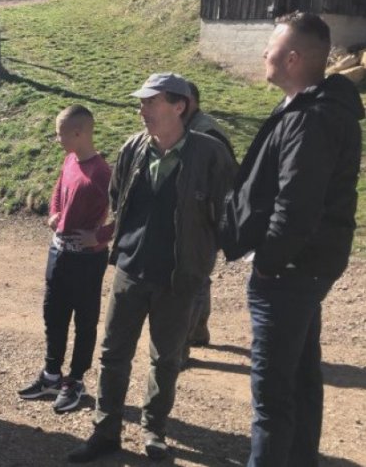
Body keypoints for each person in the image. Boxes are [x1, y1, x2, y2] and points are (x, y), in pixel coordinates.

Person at [68, 73, 235, 463]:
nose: (141, 110)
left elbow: (228, 211)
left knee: (166, 359)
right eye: (141, 102)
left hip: (179, 278)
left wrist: (203, 257)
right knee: (113, 355)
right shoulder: (133, 148)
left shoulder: (211, 154)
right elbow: (118, 198)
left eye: (150, 102)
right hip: (131, 269)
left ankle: (154, 432)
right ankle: (104, 433)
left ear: (179, 106)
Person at [221, 12, 363, 467]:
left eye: (273, 46)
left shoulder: (312, 118)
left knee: (272, 393)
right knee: (299, 375)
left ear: (294, 58)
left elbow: (297, 205)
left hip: (289, 271)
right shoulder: (312, 108)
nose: (265, 52)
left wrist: (269, 262)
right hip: (304, 267)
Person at [17, 105, 112, 413]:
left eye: (60, 133)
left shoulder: (102, 172)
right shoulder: (70, 159)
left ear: (79, 133)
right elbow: (58, 190)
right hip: (58, 252)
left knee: (84, 320)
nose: (56, 138)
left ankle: (76, 379)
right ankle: (51, 375)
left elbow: (127, 212)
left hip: (87, 261)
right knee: (53, 313)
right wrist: (53, 213)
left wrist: (100, 236)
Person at [181, 80, 236, 367]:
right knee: (198, 276)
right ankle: (198, 332)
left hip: (205, 215)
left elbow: (225, 177)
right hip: (200, 213)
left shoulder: (207, 132)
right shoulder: (192, 125)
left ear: (189, 102)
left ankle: (183, 344)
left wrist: (216, 221)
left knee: (193, 277)